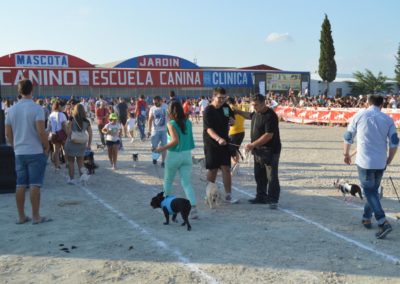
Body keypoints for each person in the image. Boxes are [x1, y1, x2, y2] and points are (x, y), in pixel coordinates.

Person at [343, 94, 398, 239]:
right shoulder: (388, 119)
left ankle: (382, 222)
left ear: (368, 102)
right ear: (382, 105)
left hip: (365, 162)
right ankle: (367, 217)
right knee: (372, 191)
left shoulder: (359, 115)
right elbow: (394, 142)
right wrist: (389, 159)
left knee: (369, 192)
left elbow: (348, 136)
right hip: (380, 162)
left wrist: (346, 154)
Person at [5, 79, 51, 224]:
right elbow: (41, 131)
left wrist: (14, 146)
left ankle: (21, 216)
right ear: (32, 90)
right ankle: (36, 216)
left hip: (19, 151)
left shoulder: (11, 109)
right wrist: (46, 146)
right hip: (35, 151)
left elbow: (7, 133)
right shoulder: (37, 108)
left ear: (19, 91)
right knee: (35, 184)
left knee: (20, 185)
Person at [235, 94, 282, 209]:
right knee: (259, 174)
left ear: (263, 103)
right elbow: (249, 115)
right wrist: (238, 111)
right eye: (253, 105)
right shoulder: (256, 113)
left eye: (256, 105)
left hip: (270, 150)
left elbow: (268, 135)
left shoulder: (270, 115)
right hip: (258, 150)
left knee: (271, 176)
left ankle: (273, 199)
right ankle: (261, 196)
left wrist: (252, 144)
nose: (254, 107)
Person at [154, 101, 198, 219]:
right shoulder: (188, 122)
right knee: (186, 183)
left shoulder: (171, 123)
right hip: (186, 155)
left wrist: (161, 148)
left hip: (174, 155)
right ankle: (193, 208)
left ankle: (166, 205)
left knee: (168, 181)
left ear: (170, 111)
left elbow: (175, 141)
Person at [203, 87, 238, 203]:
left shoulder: (225, 107)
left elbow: (232, 119)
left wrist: (232, 121)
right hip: (211, 143)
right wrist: (218, 139)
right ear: (214, 96)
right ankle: (208, 194)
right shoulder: (208, 110)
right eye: (219, 97)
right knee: (212, 170)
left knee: (226, 168)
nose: (222, 100)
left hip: (225, 142)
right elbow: (208, 129)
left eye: (224, 98)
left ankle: (228, 195)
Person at [64, 104, 93, 184]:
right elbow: (90, 133)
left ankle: (72, 179)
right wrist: (89, 144)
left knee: (71, 162)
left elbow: (68, 131)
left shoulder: (71, 119)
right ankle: (82, 178)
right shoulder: (86, 121)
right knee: (80, 162)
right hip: (82, 143)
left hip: (72, 143)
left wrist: (70, 137)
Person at [227, 97, 245, 174]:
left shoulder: (229, 109)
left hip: (233, 132)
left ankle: (235, 164)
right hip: (241, 131)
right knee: (236, 149)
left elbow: (227, 120)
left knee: (229, 151)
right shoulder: (238, 107)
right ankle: (237, 168)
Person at [147, 96, 168, 167]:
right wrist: (149, 130)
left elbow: (171, 117)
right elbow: (150, 120)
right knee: (154, 146)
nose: (155, 104)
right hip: (155, 130)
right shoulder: (152, 108)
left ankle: (163, 161)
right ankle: (155, 157)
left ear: (160, 101)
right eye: (154, 103)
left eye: (156, 102)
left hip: (164, 130)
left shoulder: (166, 107)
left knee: (164, 146)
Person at [47, 100, 68, 170]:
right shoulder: (62, 114)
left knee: (56, 151)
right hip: (62, 134)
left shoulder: (51, 115)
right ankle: (67, 163)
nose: (64, 108)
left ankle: (57, 165)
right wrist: (67, 134)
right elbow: (64, 126)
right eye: (63, 107)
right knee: (65, 149)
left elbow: (48, 127)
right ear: (59, 106)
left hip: (53, 134)